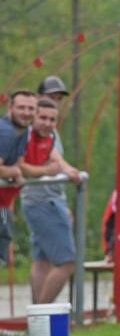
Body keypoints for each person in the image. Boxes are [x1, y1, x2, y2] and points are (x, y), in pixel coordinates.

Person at [20, 98, 82, 303]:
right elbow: (22, 167)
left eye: (51, 119)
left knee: (42, 260)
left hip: (53, 200)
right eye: (42, 117)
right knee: (67, 262)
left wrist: (66, 169)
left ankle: (37, 320)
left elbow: (55, 157)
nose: (47, 122)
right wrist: (50, 170)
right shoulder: (24, 136)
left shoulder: (50, 135)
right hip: (41, 201)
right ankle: (41, 314)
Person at [0, 90, 37, 267]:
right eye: (21, 107)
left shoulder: (23, 131)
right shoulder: (6, 133)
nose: (26, 112)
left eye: (31, 108)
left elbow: (20, 164)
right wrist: (14, 173)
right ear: (10, 108)